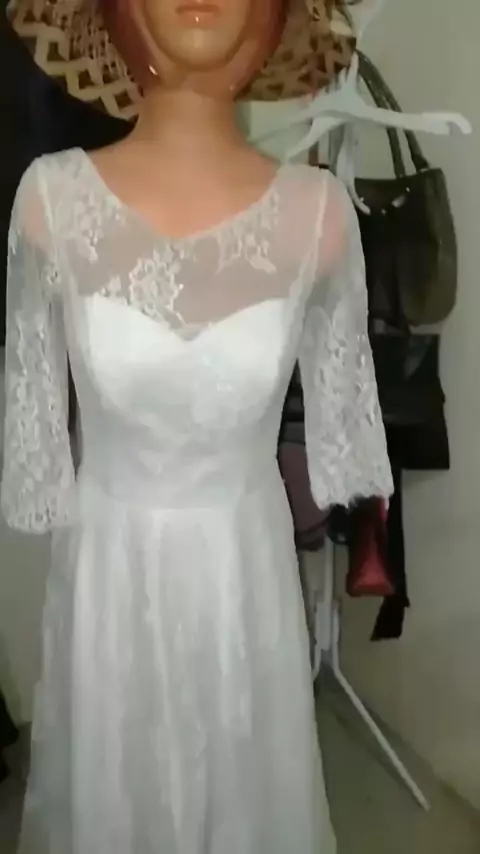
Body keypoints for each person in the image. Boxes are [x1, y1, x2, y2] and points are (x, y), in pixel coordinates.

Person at [1, 1, 393, 851]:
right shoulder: (49, 201)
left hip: (241, 577)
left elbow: (344, 427)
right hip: (110, 574)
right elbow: (33, 429)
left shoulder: (320, 215)